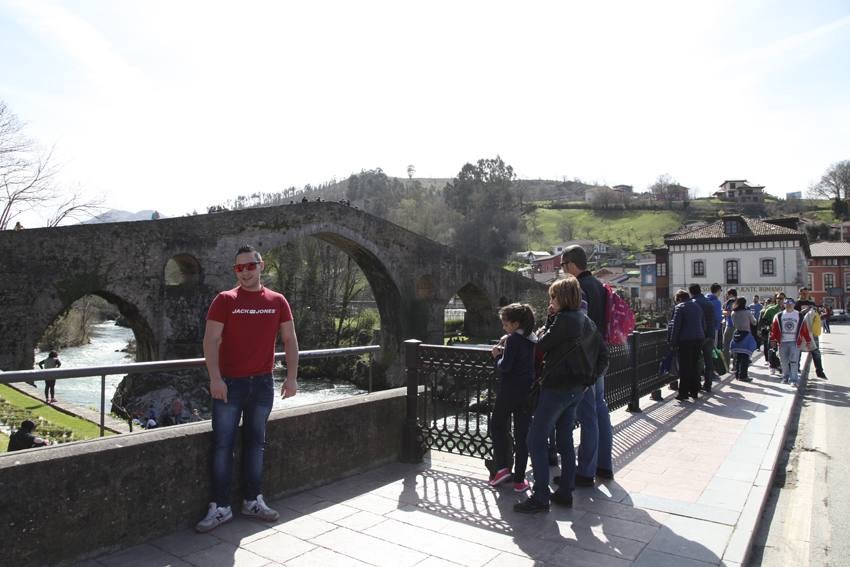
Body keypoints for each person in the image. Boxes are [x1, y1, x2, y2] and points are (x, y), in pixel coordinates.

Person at [195, 245, 299, 533]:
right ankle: (220, 507)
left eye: (250, 266)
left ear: (261, 265)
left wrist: (291, 378)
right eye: (238, 268)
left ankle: (252, 501)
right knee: (223, 446)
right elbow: (210, 341)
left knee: (256, 444)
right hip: (229, 383)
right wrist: (215, 378)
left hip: (263, 383)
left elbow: (290, 340)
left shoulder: (278, 301)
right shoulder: (224, 300)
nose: (244, 272)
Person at [515, 277, 607, 513]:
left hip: (557, 388)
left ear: (562, 298)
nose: (551, 300)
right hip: (576, 390)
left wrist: (550, 318)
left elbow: (541, 345)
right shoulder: (588, 322)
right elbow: (603, 357)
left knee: (535, 439)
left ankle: (541, 496)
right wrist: (588, 381)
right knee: (565, 438)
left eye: (553, 296)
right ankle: (565, 490)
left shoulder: (564, 320)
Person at [559, 244, 614, 487]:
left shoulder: (578, 288)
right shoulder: (600, 286)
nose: (563, 271)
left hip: (585, 359)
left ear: (570, 264)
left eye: (562, 266)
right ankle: (604, 465)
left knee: (588, 413)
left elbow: (575, 326)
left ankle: (585, 471)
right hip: (600, 354)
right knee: (600, 409)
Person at [488, 303, 537, 493]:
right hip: (526, 391)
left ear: (516, 323)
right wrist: (508, 338)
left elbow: (505, 366)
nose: (503, 326)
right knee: (522, 434)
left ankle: (502, 468)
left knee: (497, 424)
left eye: (506, 323)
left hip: (509, 390)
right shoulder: (531, 338)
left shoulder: (514, 341)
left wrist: (496, 356)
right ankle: (519, 479)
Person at [668, 289, 705, 400]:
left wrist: (672, 342)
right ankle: (694, 391)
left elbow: (676, 326)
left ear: (679, 299)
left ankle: (683, 393)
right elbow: (703, 323)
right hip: (699, 338)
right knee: (694, 365)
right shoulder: (697, 306)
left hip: (686, 340)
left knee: (684, 367)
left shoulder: (680, 307)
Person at [769, 298, 813, 387]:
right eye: (787, 304)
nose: (789, 306)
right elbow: (774, 329)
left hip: (795, 342)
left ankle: (793, 379)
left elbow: (804, 329)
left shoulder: (799, 315)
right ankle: (785, 377)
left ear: (793, 305)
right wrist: (773, 340)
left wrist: (808, 340)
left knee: (794, 361)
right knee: (783, 361)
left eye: (790, 304)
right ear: (784, 305)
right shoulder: (779, 316)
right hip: (782, 342)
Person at [688, 284, 716, 393]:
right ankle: (708, 384)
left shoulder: (693, 303)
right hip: (710, 334)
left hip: (697, 335)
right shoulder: (709, 302)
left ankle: (697, 383)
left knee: (696, 360)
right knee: (709, 360)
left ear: (691, 292)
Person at [729, 297, 758, 382]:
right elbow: (754, 322)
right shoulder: (747, 312)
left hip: (737, 334)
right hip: (746, 335)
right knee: (745, 357)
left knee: (738, 357)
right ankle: (743, 376)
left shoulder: (733, 313)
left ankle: (737, 375)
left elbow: (734, 324)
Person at [799, 301, 827, 379]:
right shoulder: (798, 304)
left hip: (812, 334)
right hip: (802, 333)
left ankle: (819, 371)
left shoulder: (814, 312)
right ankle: (797, 369)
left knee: (816, 353)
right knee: (798, 352)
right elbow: (797, 314)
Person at [758, 293, 785, 372]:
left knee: (783, 350)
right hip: (773, 333)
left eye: (781, 298)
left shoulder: (788, 309)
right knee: (772, 349)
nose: (780, 300)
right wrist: (769, 325)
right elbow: (763, 321)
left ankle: (781, 366)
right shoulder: (770, 309)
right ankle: (772, 366)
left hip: (785, 334)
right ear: (776, 299)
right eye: (778, 298)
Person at [722, 289, 738, 370]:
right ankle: (735, 366)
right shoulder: (739, 301)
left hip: (730, 326)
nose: (726, 296)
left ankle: (726, 366)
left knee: (726, 346)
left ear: (731, 294)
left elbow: (728, 312)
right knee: (735, 347)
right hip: (737, 326)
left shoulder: (731, 302)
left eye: (727, 294)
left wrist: (721, 311)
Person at [706, 284, 723, 350]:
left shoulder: (705, 299)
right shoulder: (717, 302)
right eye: (720, 291)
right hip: (714, 327)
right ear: (718, 290)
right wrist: (722, 317)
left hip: (704, 327)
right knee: (713, 348)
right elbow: (718, 317)